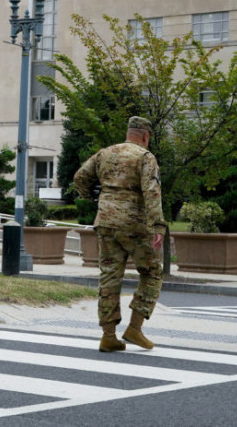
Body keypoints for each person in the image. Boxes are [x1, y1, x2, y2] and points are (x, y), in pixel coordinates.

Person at [73, 116, 167, 352]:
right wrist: (158, 225)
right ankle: (135, 329)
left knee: (109, 276)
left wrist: (93, 197)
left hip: (105, 222)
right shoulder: (145, 157)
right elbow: (152, 191)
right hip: (135, 225)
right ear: (146, 137)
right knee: (152, 272)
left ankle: (108, 336)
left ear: (129, 133)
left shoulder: (105, 153)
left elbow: (80, 177)